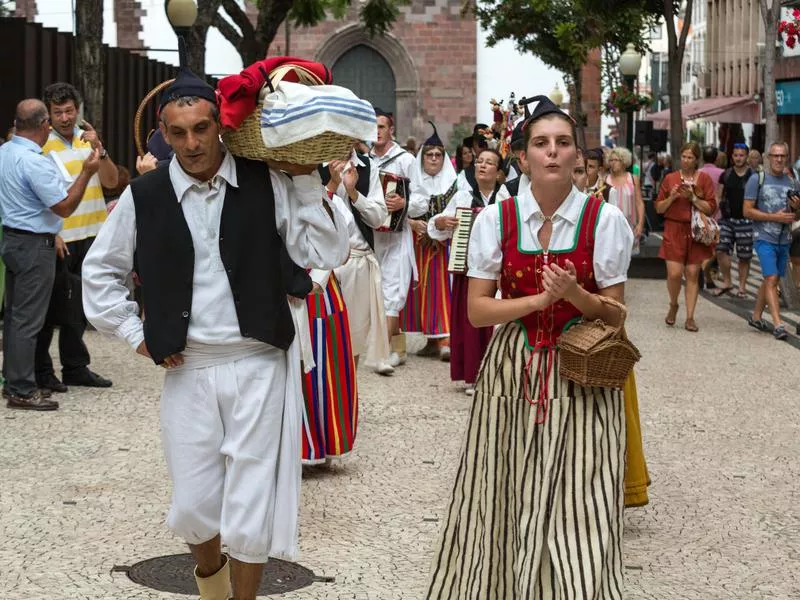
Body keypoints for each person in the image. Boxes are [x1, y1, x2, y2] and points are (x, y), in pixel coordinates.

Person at [81, 65, 350, 600]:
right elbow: (99, 275)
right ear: (163, 131)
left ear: (220, 127)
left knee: (251, 507)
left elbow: (325, 252)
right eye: (178, 133)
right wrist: (138, 335)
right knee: (192, 508)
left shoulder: (267, 182)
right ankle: (212, 585)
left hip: (259, 359)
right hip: (189, 366)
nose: (191, 143)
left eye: (201, 128)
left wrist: (301, 174)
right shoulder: (146, 195)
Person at [425, 96, 633, 598]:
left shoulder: (603, 221)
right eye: (541, 144)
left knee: (582, 497)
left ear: (577, 156)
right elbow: (476, 311)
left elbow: (615, 314)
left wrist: (576, 296)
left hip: (583, 372)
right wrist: (540, 298)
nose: (553, 153)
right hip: (512, 368)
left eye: (563, 143)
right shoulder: (497, 220)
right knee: (504, 490)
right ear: (523, 158)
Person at [0, 99, 100, 411]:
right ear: (44, 125)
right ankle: (21, 389)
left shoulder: (5, 152)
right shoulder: (34, 161)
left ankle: (13, 380)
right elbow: (64, 206)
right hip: (34, 245)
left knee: (16, 318)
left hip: (13, 239)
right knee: (29, 321)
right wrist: (86, 172)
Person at [573, 150, 649, 508]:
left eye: (582, 169)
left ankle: (606, 490)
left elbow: (614, 302)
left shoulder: (605, 217)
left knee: (603, 416)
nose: (577, 176)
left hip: (595, 334)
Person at [36, 82, 117, 393]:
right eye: (58, 113)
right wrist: (52, 232)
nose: (65, 118)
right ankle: (44, 370)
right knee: (55, 306)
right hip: (62, 237)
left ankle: (75, 367)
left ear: (78, 110)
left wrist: (101, 148)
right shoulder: (42, 146)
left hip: (94, 234)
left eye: (70, 111)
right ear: (49, 115)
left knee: (81, 305)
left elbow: (111, 181)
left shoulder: (88, 142)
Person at [428, 147, 508, 396]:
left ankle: (498, 375)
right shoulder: (463, 197)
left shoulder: (506, 198)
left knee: (499, 324)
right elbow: (437, 224)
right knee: (471, 324)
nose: (482, 165)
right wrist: (441, 223)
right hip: (469, 269)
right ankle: (473, 375)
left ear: (499, 173)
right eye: (479, 162)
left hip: (499, 271)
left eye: (489, 163)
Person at [322, 150, 392, 375]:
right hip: (323, 264)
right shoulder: (315, 162)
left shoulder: (366, 166)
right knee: (325, 335)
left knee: (354, 336)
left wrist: (353, 192)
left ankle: (346, 391)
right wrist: (332, 184)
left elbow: (378, 218)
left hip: (358, 260)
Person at [370, 109, 422, 368]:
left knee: (392, 292)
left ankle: (382, 353)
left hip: (398, 236)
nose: (377, 131)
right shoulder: (364, 161)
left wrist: (405, 202)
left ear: (391, 130)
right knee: (376, 292)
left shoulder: (406, 160)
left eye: (382, 126)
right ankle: (397, 348)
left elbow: (422, 200)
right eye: (374, 126)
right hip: (370, 237)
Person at [402, 124, 455, 360]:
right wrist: (413, 223)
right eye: (429, 155)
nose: (433, 159)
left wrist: (440, 227)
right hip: (418, 244)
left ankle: (446, 339)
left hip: (445, 246)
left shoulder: (455, 184)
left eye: (438, 155)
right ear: (422, 158)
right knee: (422, 289)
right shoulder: (412, 183)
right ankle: (431, 339)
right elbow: (400, 212)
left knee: (443, 290)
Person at [655, 142, 717, 332]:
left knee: (692, 274)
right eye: (684, 156)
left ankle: (690, 317)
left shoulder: (704, 179)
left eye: (690, 157)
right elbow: (658, 208)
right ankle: (674, 304)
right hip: (674, 229)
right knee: (674, 273)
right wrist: (672, 197)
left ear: (696, 159)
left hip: (695, 231)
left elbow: (711, 207)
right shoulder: (670, 178)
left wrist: (693, 198)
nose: (686, 160)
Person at [744, 142, 800, 340]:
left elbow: (797, 214)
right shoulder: (757, 179)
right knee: (771, 279)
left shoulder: (793, 182)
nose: (778, 159)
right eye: (775, 156)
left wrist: (797, 208)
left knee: (770, 277)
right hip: (763, 237)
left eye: (782, 156)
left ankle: (756, 315)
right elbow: (747, 210)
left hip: (784, 239)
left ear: (787, 157)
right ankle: (778, 323)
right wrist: (774, 217)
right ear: (768, 157)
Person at [712, 143, 753, 298]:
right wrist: (713, 215)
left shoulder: (753, 176)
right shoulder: (726, 174)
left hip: (746, 221)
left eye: (741, 155)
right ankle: (727, 281)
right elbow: (718, 196)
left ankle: (742, 287)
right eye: (735, 155)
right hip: (726, 219)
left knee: (744, 256)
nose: (738, 158)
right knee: (721, 249)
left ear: (746, 156)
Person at [605, 147, 645, 254]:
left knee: (628, 261)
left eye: (616, 160)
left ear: (623, 161)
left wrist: (640, 224)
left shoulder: (632, 178)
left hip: (629, 226)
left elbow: (639, 203)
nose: (613, 163)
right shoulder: (605, 179)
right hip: (610, 227)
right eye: (611, 160)